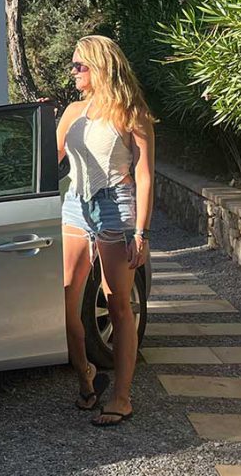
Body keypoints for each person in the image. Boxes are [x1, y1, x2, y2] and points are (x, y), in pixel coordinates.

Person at [56, 35, 155, 427]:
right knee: (66, 299)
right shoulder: (73, 112)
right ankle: (86, 377)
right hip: (75, 204)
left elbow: (144, 177)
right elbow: (51, 158)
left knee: (118, 305)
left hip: (117, 207)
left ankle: (121, 397)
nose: (73, 71)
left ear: (100, 67)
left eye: (79, 65)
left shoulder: (132, 113)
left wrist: (141, 233)